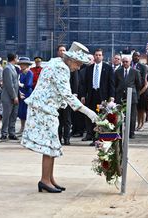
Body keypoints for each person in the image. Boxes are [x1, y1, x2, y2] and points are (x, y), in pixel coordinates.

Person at [21, 41, 99, 193]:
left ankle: (49, 178)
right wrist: (89, 113)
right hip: (44, 109)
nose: (78, 68)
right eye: (78, 64)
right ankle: (45, 180)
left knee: (52, 143)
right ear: (71, 60)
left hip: (45, 108)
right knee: (49, 144)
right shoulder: (61, 68)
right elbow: (67, 95)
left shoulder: (55, 62)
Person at [81, 48, 115, 145]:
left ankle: (100, 138)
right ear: (94, 56)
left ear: (102, 56)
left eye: (100, 55)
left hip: (102, 96)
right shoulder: (89, 68)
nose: (98, 56)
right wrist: (83, 96)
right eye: (96, 55)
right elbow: (85, 83)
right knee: (92, 117)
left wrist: (112, 96)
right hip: (92, 95)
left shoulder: (108, 68)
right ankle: (92, 137)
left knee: (102, 117)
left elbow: (111, 84)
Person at [114, 56, 141, 138]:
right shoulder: (118, 72)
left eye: (127, 61)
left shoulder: (135, 72)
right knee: (120, 115)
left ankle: (131, 132)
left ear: (130, 62)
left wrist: (135, 93)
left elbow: (138, 84)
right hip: (120, 96)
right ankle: (121, 132)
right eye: (124, 62)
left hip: (131, 97)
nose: (125, 63)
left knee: (132, 116)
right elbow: (115, 83)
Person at [0, 53, 19, 140]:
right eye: (17, 58)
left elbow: (15, 84)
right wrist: (14, 96)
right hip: (8, 97)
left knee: (13, 115)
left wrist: (18, 94)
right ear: (14, 58)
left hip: (14, 95)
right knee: (7, 115)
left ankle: (12, 132)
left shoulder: (13, 68)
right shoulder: (7, 69)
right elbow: (9, 84)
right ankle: (4, 133)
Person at [17, 57, 33, 134]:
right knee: (21, 112)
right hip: (20, 93)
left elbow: (28, 85)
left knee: (27, 111)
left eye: (23, 64)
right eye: (20, 64)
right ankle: (22, 127)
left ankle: (27, 128)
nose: (21, 66)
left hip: (27, 94)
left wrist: (21, 85)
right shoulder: (19, 73)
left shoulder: (29, 73)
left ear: (27, 65)